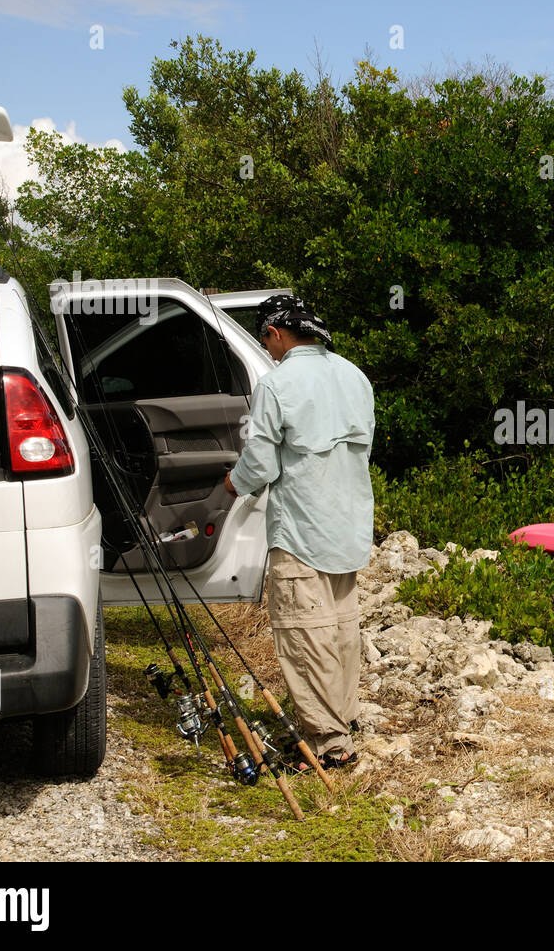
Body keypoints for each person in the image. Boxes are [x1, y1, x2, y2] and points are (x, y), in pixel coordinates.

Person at [224, 294, 375, 771]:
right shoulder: (355, 376)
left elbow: (261, 461)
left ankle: (329, 744)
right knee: (340, 629)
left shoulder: (278, 384)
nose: (267, 351)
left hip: (300, 533)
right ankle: (343, 722)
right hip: (347, 527)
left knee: (303, 634)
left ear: (275, 333)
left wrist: (234, 483)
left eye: (265, 340)